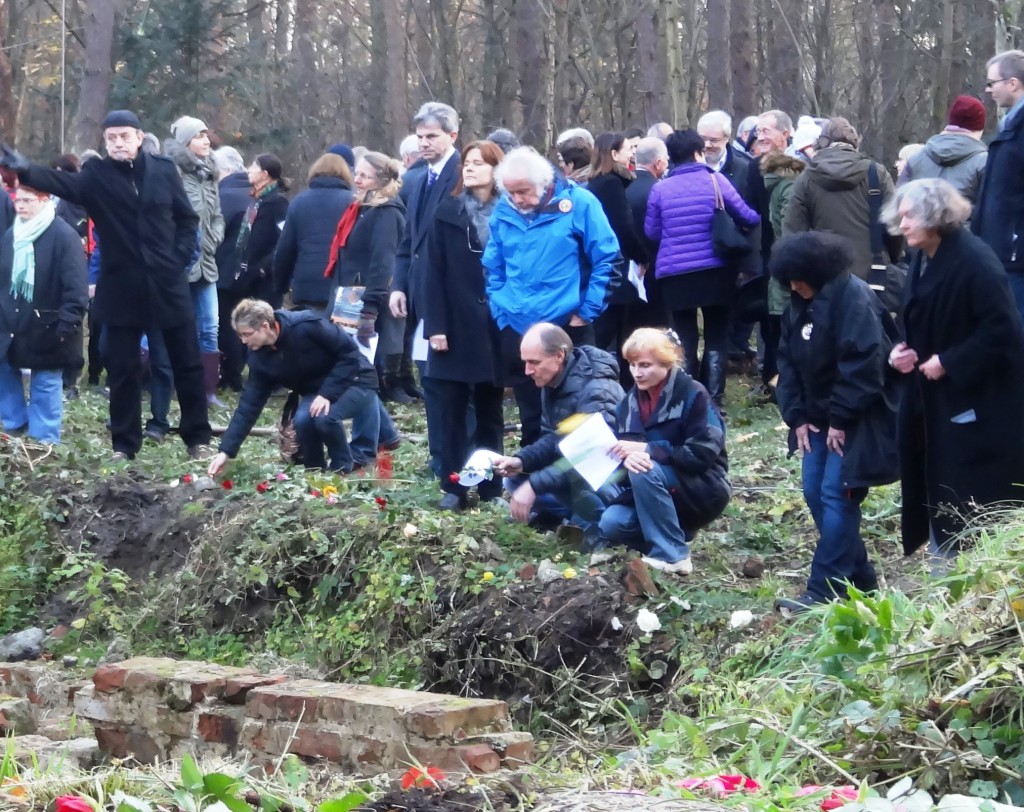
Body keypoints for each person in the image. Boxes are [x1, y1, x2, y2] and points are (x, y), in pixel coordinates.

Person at [1, 109, 212, 461]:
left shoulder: (162, 170)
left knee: (186, 362)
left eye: (124, 136)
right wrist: (23, 169)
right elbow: (59, 183)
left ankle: (197, 439)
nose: (117, 143)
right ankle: (124, 445)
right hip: (121, 287)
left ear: (139, 138)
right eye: (111, 138)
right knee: (123, 369)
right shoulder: (95, 176)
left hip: (167, 284)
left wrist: (176, 259)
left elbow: (187, 220)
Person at [883, 179, 1024, 564]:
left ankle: (968, 572)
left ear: (937, 215)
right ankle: (946, 563)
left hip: (976, 403)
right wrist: (900, 351)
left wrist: (949, 361)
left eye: (911, 215)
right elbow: (918, 317)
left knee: (967, 492)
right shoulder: (924, 257)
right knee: (937, 482)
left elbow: (1004, 330)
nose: (903, 223)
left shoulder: (975, 262)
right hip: (931, 400)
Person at [772, 231, 899, 614]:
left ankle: (824, 589)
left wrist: (842, 417)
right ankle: (859, 576)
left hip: (857, 417)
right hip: (815, 418)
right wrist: (795, 416)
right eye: (789, 280)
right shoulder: (799, 304)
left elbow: (863, 362)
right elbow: (787, 362)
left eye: (799, 278)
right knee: (814, 492)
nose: (794, 286)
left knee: (837, 493)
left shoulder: (854, 298)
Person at [485, 146, 620, 445]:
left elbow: (607, 259)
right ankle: (533, 478)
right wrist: (501, 312)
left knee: (581, 411)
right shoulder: (503, 212)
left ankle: (585, 483)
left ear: (544, 182)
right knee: (532, 415)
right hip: (518, 326)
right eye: (511, 192)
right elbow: (493, 268)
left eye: (523, 191)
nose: (518, 199)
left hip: (568, 324)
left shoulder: (580, 203)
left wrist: (586, 312)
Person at [595, 328, 730, 575]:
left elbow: (702, 455)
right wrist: (621, 459)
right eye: (632, 364)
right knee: (612, 523)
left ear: (667, 363)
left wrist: (647, 450)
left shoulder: (694, 393)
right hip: (654, 490)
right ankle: (677, 536)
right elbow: (629, 464)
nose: (637, 372)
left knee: (644, 467)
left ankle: (673, 556)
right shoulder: (626, 405)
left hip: (704, 489)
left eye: (645, 365)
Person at [644, 129, 759, 409]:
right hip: (716, 269)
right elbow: (747, 215)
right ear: (698, 153)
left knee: (683, 336)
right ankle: (714, 398)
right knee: (717, 335)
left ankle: (686, 396)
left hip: (674, 273)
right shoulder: (715, 180)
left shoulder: (659, 189)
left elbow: (652, 231)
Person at [422, 140, 506, 510]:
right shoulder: (447, 212)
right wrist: (435, 326)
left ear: (495, 170)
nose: (469, 169)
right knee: (452, 410)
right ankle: (454, 486)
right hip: (454, 323)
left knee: (490, 409)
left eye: (478, 163)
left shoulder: (511, 213)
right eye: (466, 163)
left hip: (496, 324)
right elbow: (432, 272)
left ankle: (489, 485)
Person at [209, 299, 381, 475]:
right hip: (316, 390)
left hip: (356, 378)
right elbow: (248, 407)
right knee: (302, 420)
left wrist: (327, 394)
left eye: (246, 334)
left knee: (324, 417)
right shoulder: (259, 357)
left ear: (265, 326)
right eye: (240, 336)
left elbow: (349, 353)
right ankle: (315, 470)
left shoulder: (306, 325)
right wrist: (226, 451)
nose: (243, 341)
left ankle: (342, 470)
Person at [492, 323, 624, 530]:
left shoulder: (597, 388)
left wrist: (535, 485)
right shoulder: (554, 380)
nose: (527, 371)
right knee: (516, 479)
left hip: (611, 475)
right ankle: (570, 517)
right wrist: (521, 460)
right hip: (580, 465)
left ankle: (600, 528)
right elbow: (553, 438)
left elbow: (593, 455)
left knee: (550, 483)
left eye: (534, 362)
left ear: (559, 356)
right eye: (525, 362)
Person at [390, 102, 463, 476]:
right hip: (419, 295)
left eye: (432, 136)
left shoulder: (461, 176)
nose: (424, 144)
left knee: (454, 384)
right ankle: (439, 456)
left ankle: (457, 456)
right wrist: (399, 284)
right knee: (429, 379)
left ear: (452, 136)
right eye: (420, 137)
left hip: (453, 299)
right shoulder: (418, 178)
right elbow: (408, 242)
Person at [323, 150, 403, 463]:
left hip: (363, 300)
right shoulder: (361, 208)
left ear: (381, 181)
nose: (357, 179)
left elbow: (383, 263)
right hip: (349, 296)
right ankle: (385, 434)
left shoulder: (385, 213)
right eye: (357, 173)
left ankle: (365, 445)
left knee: (360, 373)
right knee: (357, 370)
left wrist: (369, 310)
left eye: (365, 175)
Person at [0, 186, 88, 442]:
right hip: (12, 321)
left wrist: (67, 323)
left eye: (27, 200)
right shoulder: (11, 235)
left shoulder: (64, 236)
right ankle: (14, 422)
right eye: (18, 200)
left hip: (49, 322)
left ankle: (44, 439)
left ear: (44, 200)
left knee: (46, 380)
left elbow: (75, 287)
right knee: (4, 368)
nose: (20, 206)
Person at [783, 117, 901, 279]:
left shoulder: (807, 178)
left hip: (825, 275)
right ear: (854, 143)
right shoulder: (876, 173)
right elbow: (894, 225)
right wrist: (893, 258)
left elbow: (794, 232)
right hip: (874, 273)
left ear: (821, 143)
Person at [167, 116, 226, 409]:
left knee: (210, 326)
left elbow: (217, 215)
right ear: (185, 142)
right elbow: (171, 216)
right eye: (199, 136)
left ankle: (207, 391)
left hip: (208, 264)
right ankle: (169, 384)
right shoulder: (173, 172)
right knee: (178, 325)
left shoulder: (210, 173)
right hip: (181, 264)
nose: (206, 141)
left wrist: (212, 240)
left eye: (207, 135)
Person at [586, 132, 646, 372]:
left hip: (605, 265)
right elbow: (622, 226)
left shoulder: (597, 183)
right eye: (627, 148)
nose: (632, 153)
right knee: (614, 330)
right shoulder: (611, 184)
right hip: (615, 267)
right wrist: (642, 255)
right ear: (613, 153)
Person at [972, 50, 1024, 317]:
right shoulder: (1010, 127)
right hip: (1003, 251)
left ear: (1012, 83)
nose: (988, 89)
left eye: (992, 83)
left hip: (1015, 255)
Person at [274, 153, 354, 311]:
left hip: (307, 283)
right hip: (343, 285)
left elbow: (285, 249)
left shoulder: (299, 201)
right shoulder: (353, 202)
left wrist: (280, 285)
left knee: (310, 332)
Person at [899, 96, 987, 204]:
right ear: (980, 128)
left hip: (918, 220)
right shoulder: (985, 163)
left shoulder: (916, 158)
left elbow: (899, 203)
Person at [213, 146, 251, 393]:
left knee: (227, 323)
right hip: (252, 272)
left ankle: (231, 374)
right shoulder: (254, 193)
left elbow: (215, 234)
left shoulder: (224, 196)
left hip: (225, 270)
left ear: (225, 170)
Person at [236, 153, 289, 307]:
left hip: (265, 282)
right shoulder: (257, 200)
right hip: (248, 277)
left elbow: (284, 239)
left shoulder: (278, 202)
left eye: (253, 167)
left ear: (265, 174)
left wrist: (262, 269)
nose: (248, 170)